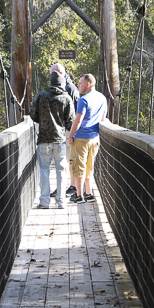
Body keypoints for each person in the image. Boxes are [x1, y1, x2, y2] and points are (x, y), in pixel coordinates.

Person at [30, 71, 75, 209]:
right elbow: (70, 119)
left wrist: (43, 120)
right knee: (61, 171)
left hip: (43, 139)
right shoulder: (67, 98)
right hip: (60, 140)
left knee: (44, 170)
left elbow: (33, 115)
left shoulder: (40, 96)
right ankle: (61, 202)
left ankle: (44, 202)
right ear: (62, 83)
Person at [68, 73, 108, 204]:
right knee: (89, 166)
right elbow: (102, 119)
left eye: (80, 83)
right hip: (95, 138)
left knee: (78, 166)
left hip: (81, 138)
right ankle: (89, 193)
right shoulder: (102, 98)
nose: (78, 85)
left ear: (88, 84)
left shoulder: (83, 100)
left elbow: (78, 120)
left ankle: (79, 195)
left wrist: (71, 136)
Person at [49, 63, 80, 196]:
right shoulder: (61, 87)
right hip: (60, 130)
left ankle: (71, 186)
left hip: (68, 130)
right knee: (62, 160)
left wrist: (71, 133)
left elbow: (75, 113)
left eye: (52, 74)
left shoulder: (70, 88)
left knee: (66, 159)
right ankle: (66, 187)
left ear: (58, 73)